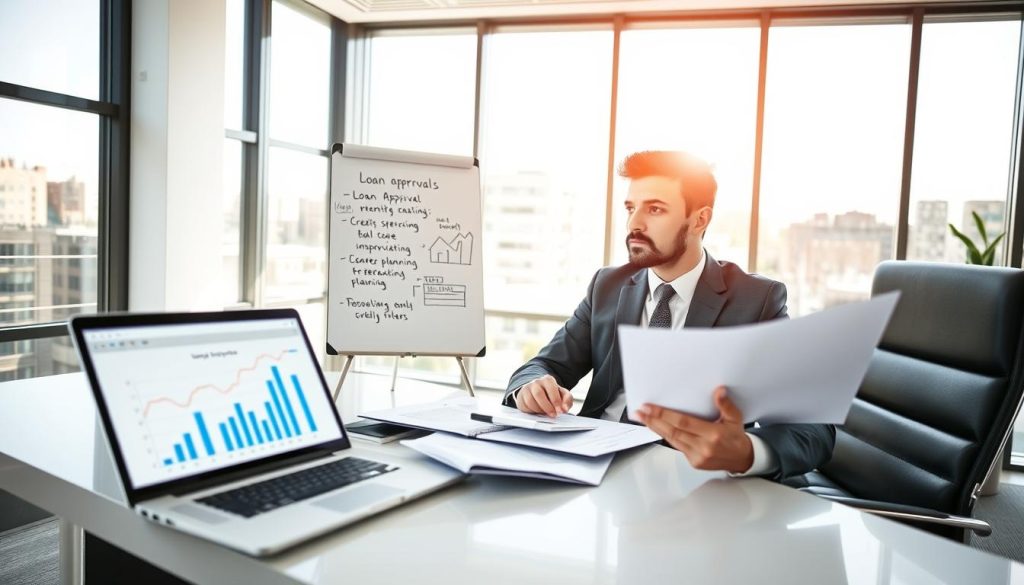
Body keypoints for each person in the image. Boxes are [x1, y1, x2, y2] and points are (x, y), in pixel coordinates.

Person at [503, 150, 834, 480]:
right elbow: (544, 365)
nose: (635, 224)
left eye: (655, 209)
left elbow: (812, 428)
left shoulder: (756, 301)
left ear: (699, 219)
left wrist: (746, 451)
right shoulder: (607, 286)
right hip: (592, 469)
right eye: (631, 208)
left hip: (686, 485)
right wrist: (531, 386)